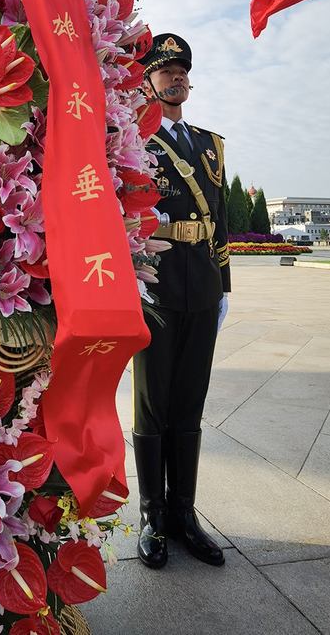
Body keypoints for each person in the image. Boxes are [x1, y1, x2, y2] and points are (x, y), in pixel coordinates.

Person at [132, 33, 230, 569]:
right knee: (153, 403)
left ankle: (184, 513)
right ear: (147, 81)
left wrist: (224, 288)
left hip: (201, 287)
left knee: (190, 403)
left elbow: (220, 222)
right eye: (166, 71)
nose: (176, 78)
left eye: (182, 71)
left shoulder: (210, 145)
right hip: (154, 287)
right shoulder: (132, 143)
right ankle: (152, 516)